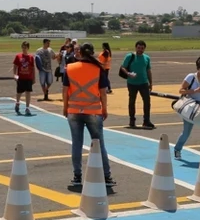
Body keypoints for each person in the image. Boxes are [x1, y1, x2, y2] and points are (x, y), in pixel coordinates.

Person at [64, 43, 115, 187]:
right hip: (93, 111)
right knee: (99, 144)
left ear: (79, 53)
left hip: (74, 110)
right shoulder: (98, 69)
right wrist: (104, 109)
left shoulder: (70, 68)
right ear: (92, 53)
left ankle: (77, 176)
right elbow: (103, 93)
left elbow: (65, 90)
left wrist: (65, 108)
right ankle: (107, 176)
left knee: (77, 143)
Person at [173, 56, 200, 159]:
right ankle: (177, 149)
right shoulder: (191, 77)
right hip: (191, 108)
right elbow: (181, 90)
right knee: (186, 132)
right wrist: (194, 91)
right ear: (197, 67)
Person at [121, 40, 155, 129]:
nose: (140, 50)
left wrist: (150, 82)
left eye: (142, 48)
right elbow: (123, 67)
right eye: (139, 48)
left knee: (147, 102)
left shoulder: (147, 58)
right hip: (132, 83)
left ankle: (146, 121)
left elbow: (148, 70)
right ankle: (132, 120)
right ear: (136, 47)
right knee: (132, 101)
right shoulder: (130, 56)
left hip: (144, 83)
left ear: (144, 49)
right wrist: (128, 73)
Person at [12, 41, 36, 115]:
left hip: (28, 77)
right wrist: (15, 75)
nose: (24, 49)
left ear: (28, 48)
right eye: (23, 47)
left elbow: (33, 68)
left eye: (25, 47)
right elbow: (15, 66)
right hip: (21, 77)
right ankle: (17, 103)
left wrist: (33, 78)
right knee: (19, 92)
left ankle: (27, 107)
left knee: (28, 92)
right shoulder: (18, 56)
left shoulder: (31, 57)